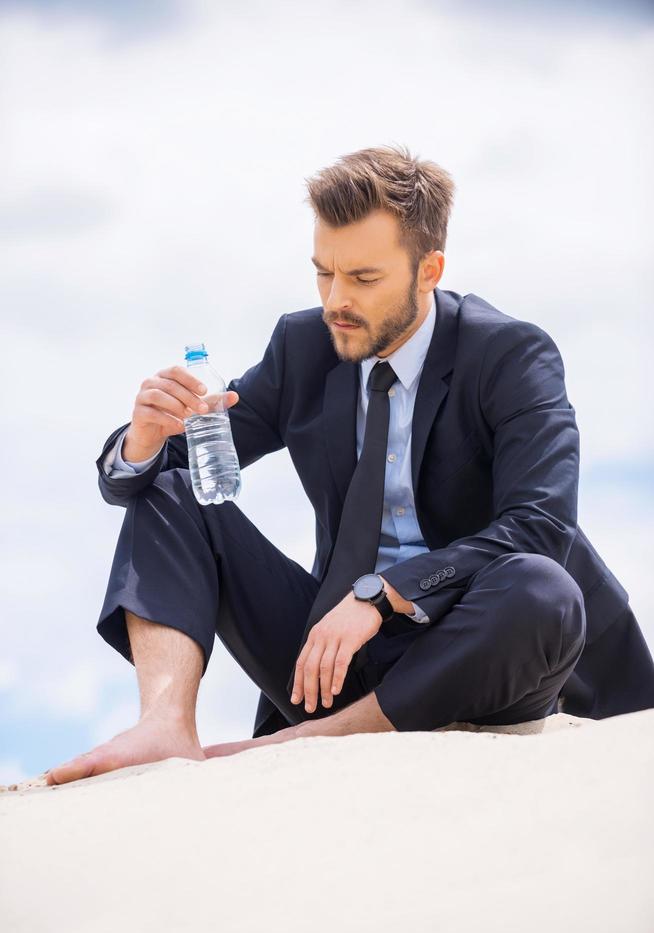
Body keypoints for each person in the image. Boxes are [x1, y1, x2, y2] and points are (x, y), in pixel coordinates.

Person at [45, 144, 654, 786]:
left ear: (429, 270)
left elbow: (540, 525)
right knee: (168, 492)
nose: (337, 299)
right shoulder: (305, 347)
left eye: (363, 279)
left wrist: (386, 593)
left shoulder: (510, 356)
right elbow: (164, 465)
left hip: (477, 653)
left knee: (542, 587)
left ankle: (313, 742)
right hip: (330, 658)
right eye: (323, 273)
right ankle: (164, 724)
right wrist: (143, 437)